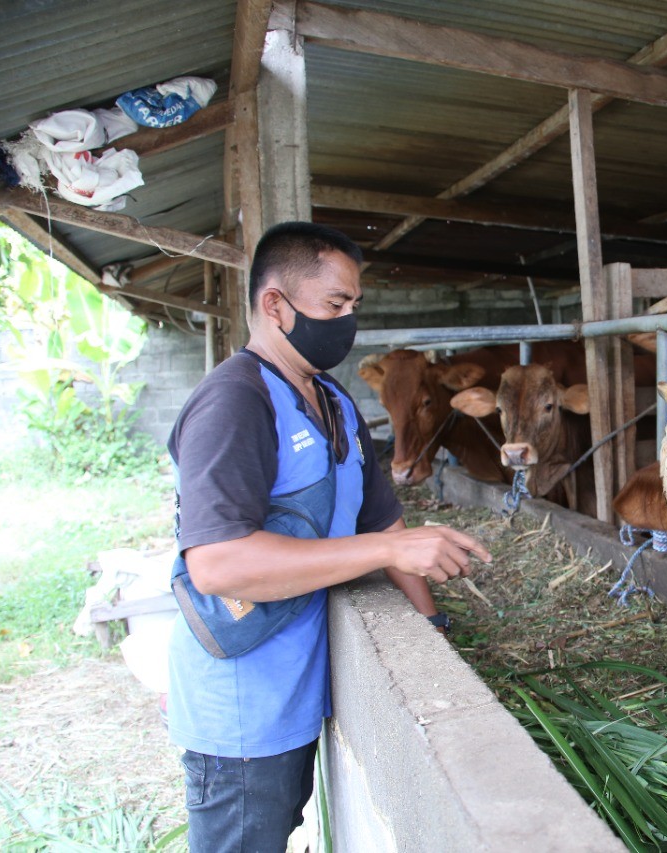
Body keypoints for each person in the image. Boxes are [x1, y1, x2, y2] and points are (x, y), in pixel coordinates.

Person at [165, 221, 491, 852]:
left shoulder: (334, 401)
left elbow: (383, 522)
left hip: (299, 689)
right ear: (275, 306)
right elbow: (217, 564)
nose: (347, 322)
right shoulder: (234, 403)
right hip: (243, 708)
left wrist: (434, 637)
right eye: (334, 306)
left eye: (353, 307)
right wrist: (391, 550)